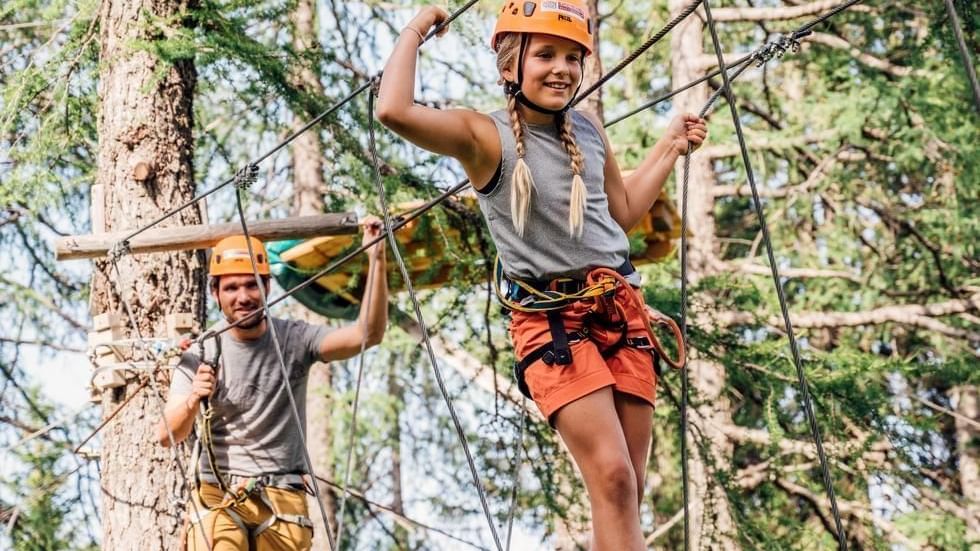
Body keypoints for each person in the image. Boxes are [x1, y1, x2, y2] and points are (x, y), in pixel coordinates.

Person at [376, 2, 706, 549]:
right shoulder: (481, 137)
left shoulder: (589, 130)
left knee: (629, 487)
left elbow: (619, 214)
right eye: (546, 54)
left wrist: (669, 146)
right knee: (614, 477)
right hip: (553, 323)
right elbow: (393, 110)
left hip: (622, 310)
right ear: (510, 66)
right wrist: (418, 27)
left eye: (574, 58)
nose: (562, 68)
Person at [157, 221, 388, 551]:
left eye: (252, 285)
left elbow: (367, 334)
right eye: (232, 288)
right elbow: (168, 435)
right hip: (218, 489)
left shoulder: (296, 340)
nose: (243, 297)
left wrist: (376, 258)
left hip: (283, 490)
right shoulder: (201, 353)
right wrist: (194, 396)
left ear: (268, 287)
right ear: (215, 293)